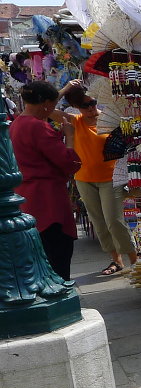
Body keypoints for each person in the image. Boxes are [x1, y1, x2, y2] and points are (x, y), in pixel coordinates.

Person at [63, 81, 137, 275]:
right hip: (84, 179)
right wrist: (65, 89)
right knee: (99, 222)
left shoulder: (109, 120)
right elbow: (46, 110)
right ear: (77, 107)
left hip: (110, 178)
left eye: (93, 102)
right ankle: (116, 260)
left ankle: (136, 261)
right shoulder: (74, 120)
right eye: (85, 105)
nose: (91, 108)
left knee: (114, 221)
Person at [11, 80, 81, 280]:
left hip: (26, 198)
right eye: (52, 105)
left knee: (41, 260)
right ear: (46, 104)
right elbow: (69, 163)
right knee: (57, 257)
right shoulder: (38, 127)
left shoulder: (16, 124)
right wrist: (69, 137)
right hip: (48, 200)